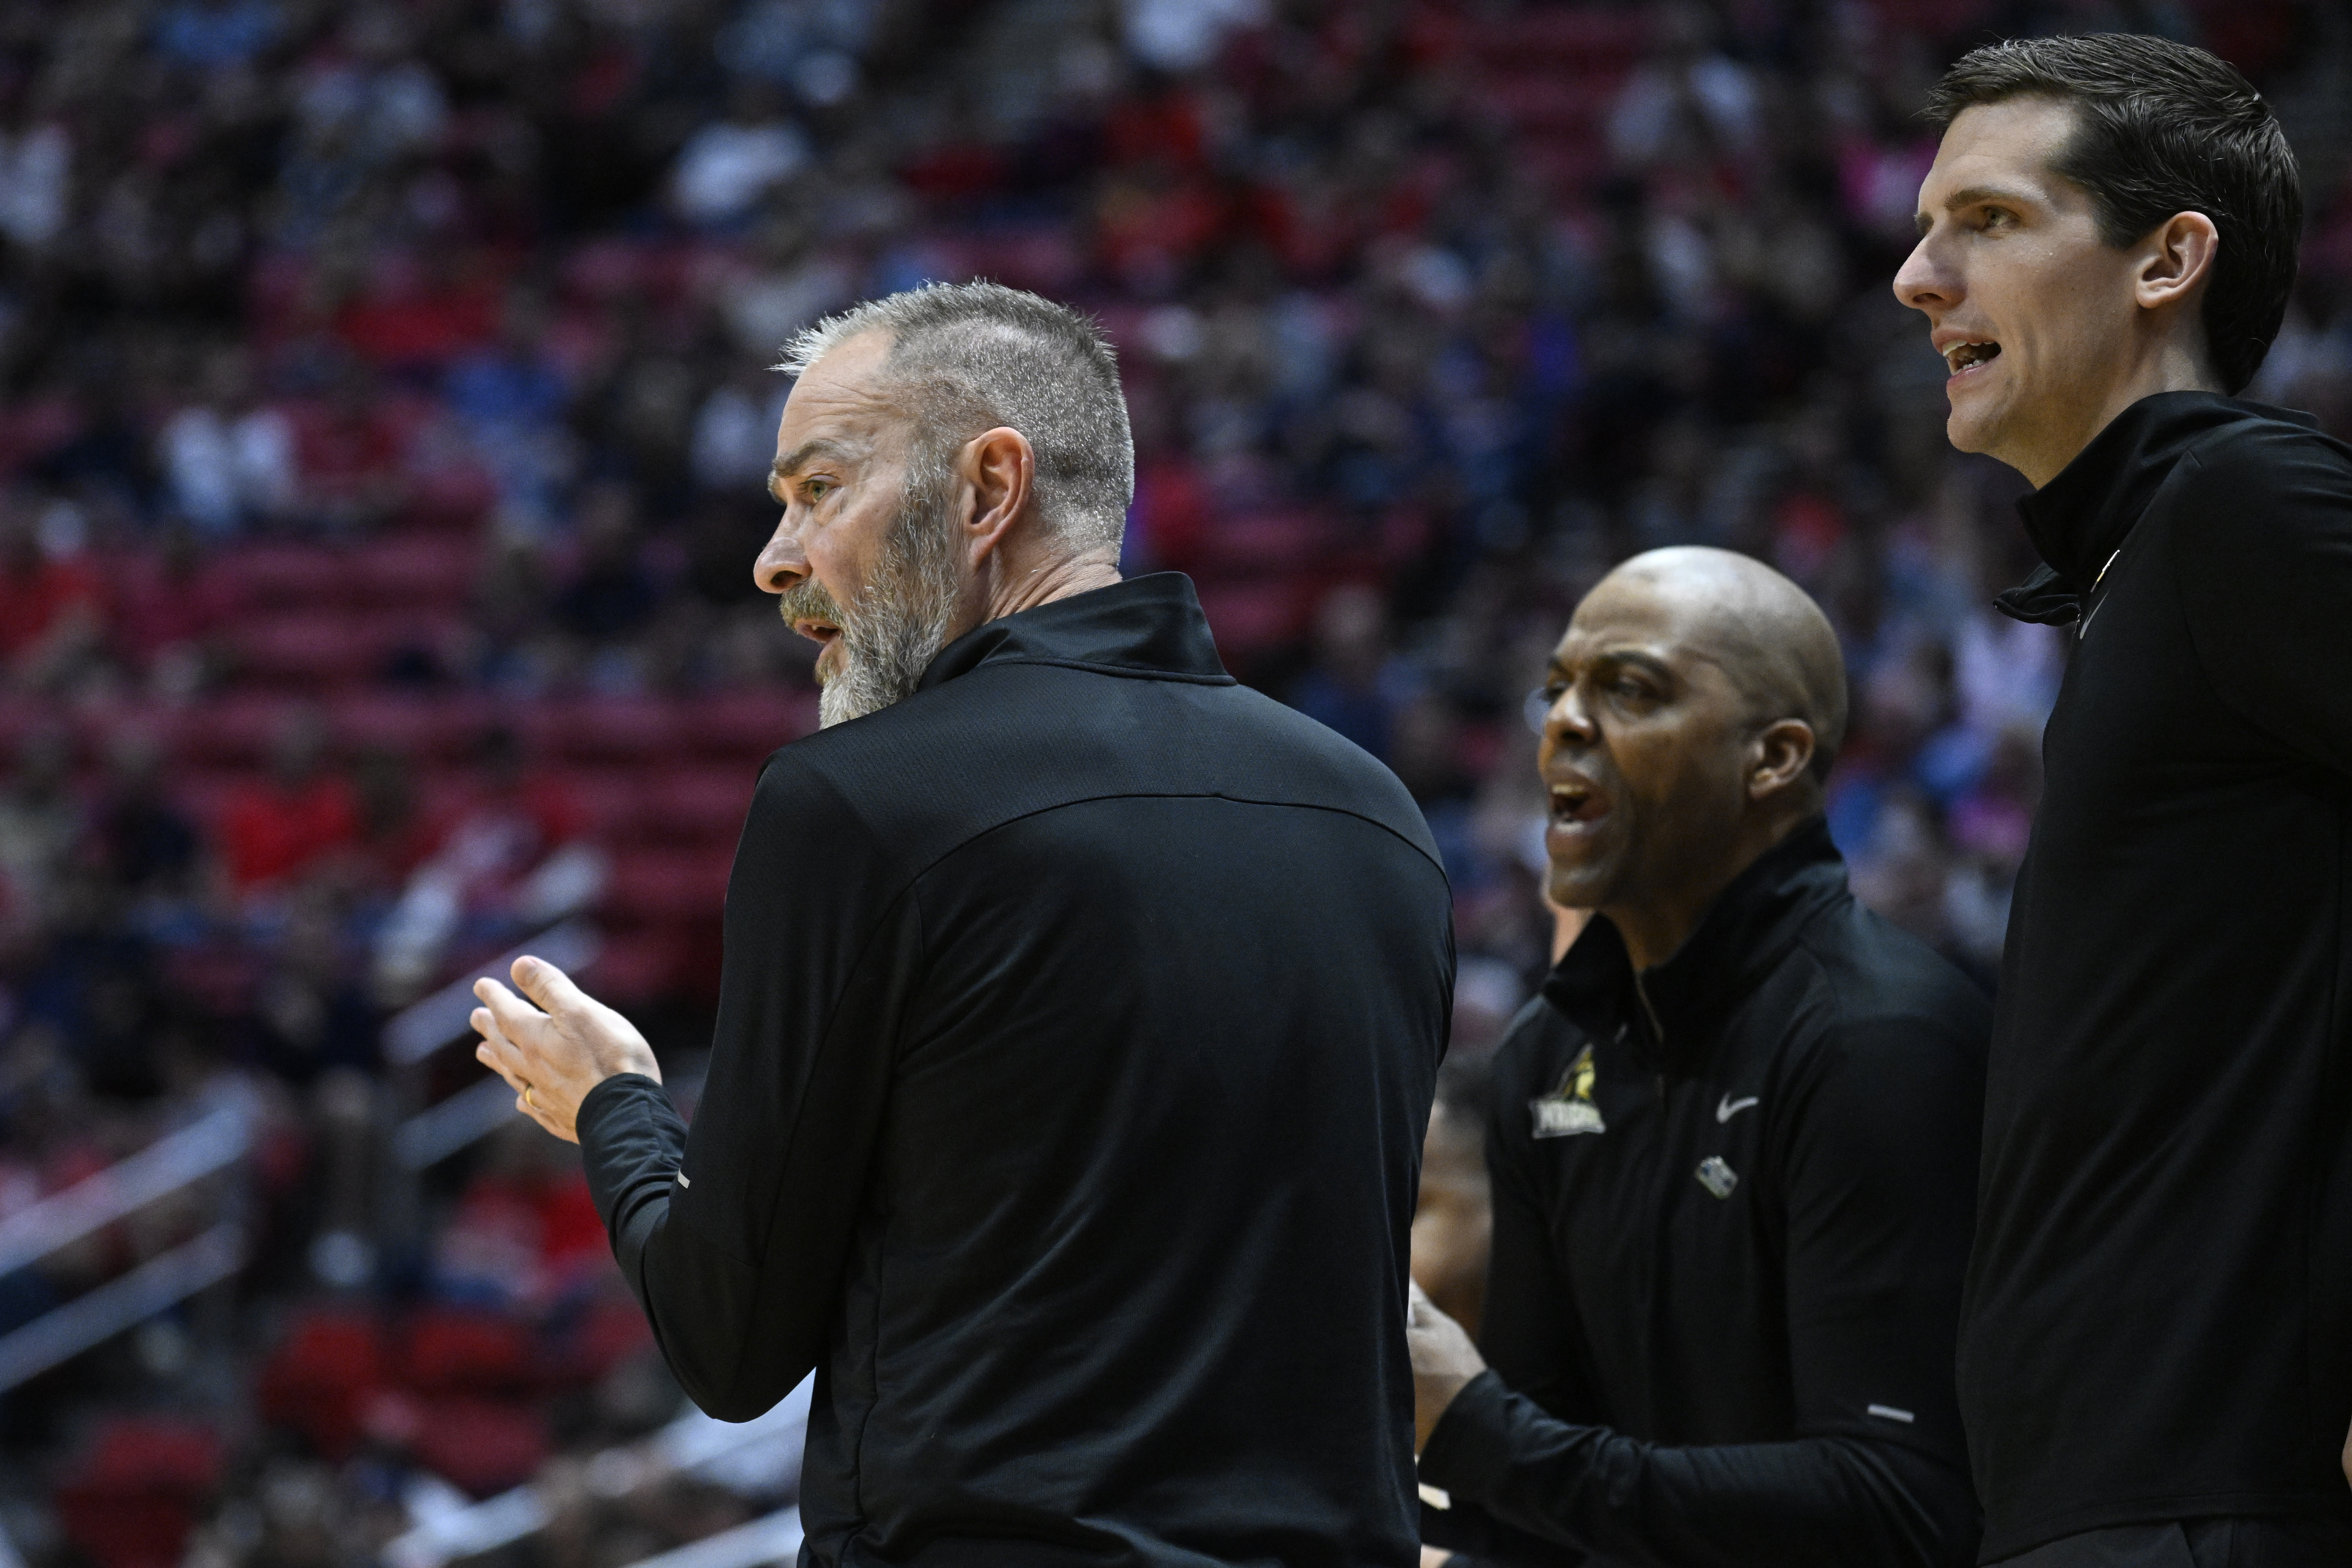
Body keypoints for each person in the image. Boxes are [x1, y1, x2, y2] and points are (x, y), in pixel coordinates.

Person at [467, 281, 1456, 1567]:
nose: (774, 557)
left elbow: (731, 1338)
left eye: (818, 489)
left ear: (988, 488)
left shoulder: (863, 803)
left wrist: (618, 1109)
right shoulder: (1377, 817)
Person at [1893, 35, 2352, 1565]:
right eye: (1922, 226)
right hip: (2111, 1501)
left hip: (2206, 1499)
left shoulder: (2246, 505)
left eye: (1991, 221)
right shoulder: (2138, 566)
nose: (1917, 276)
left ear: (2168, 260)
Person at [1408, 546, 1986, 1568]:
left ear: (1772, 758)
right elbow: (1535, 1500)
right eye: (1556, 689)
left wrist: (1479, 1430)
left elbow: (1898, 1506)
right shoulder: (1546, 1055)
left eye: (1629, 689)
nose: (1564, 721)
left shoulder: (1879, 1041)